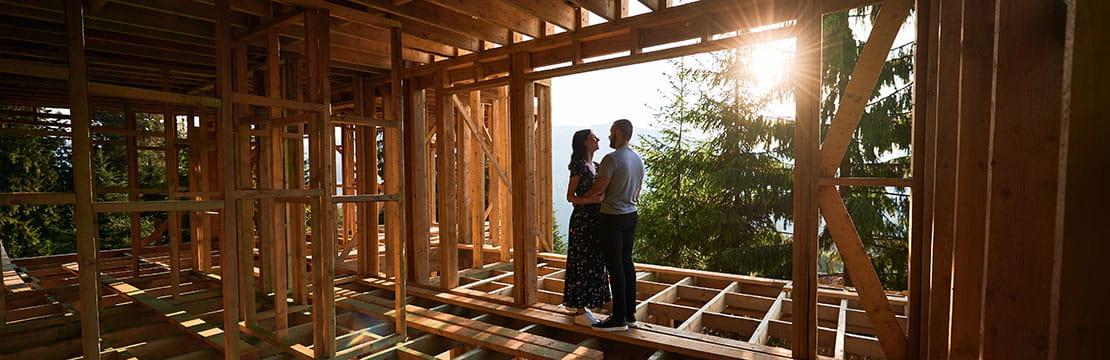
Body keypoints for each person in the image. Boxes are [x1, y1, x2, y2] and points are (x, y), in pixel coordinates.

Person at [583, 119, 644, 332]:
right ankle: (630, 315)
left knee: (615, 267)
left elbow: (598, 190)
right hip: (631, 215)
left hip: (612, 217)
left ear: (617, 132)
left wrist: (582, 195)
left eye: (610, 132)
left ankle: (618, 318)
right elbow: (637, 191)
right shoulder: (638, 159)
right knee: (627, 264)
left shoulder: (611, 159)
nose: (608, 136)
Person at [561, 129, 610, 326]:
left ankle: (582, 306)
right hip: (582, 222)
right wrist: (588, 200)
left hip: (595, 222)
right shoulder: (579, 167)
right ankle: (580, 311)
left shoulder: (596, 167)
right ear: (584, 143)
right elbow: (570, 197)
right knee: (580, 263)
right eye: (593, 137)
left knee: (593, 262)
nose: (598, 139)